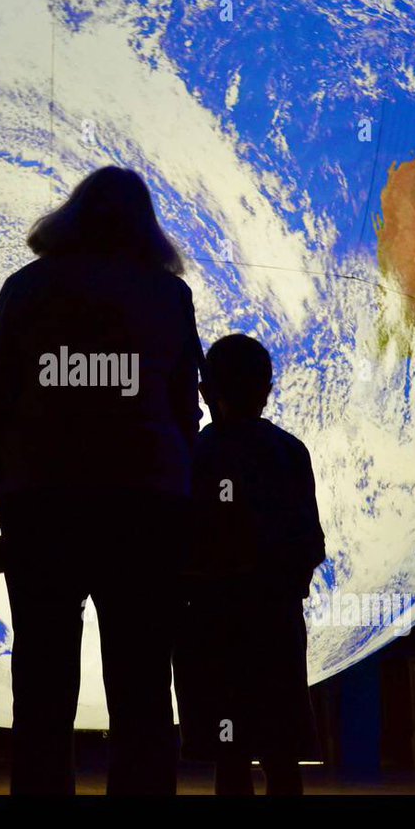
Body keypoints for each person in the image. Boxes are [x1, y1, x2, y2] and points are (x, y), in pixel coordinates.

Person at [0, 166, 203, 795]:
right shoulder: (167, 296)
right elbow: (187, 411)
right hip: (147, 511)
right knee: (144, 684)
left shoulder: (26, 288)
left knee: (42, 684)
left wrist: (9, 504)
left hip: (44, 508)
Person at [174, 334, 326, 796]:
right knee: (281, 758)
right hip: (274, 628)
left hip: (211, 630)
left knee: (230, 756)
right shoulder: (289, 452)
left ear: (205, 392)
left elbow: (180, 546)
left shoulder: (192, 456)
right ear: (266, 388)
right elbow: (309, 544)